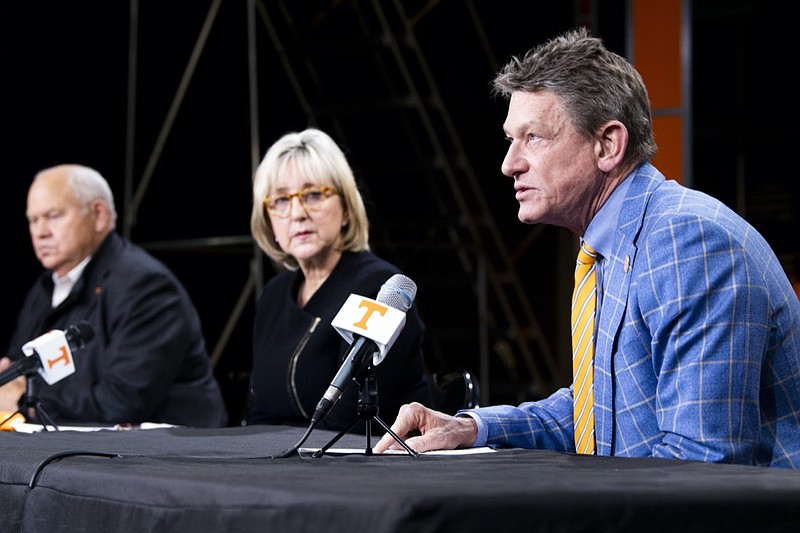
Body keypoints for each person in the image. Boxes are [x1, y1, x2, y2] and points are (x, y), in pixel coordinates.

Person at [374, 27, 800, 468]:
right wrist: (472, 428)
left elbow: (699, 467)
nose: (509, 164)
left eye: (533, 137)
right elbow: (600, 413)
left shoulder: (685, 241)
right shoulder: (612, 243)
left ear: (608, 145)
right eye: (510, 140)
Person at [0, 164, 227, 428]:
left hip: (166, 459)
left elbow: (123, 401)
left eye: (53, 215)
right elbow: (19, 369)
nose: (40, 232)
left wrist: (25, 400)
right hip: (77, 450)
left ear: (98, 215)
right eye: (33, 220)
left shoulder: (146, 286)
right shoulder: (44, 288)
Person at [248, 127, 431, 432]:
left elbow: (349, 421)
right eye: (280, 200)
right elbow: (257, 413)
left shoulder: (379, 287)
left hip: (363, 468)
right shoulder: (273, 296)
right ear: (267, 220)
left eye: (313, 195)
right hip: (283, 467)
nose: (297, 213)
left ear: (346, 208)